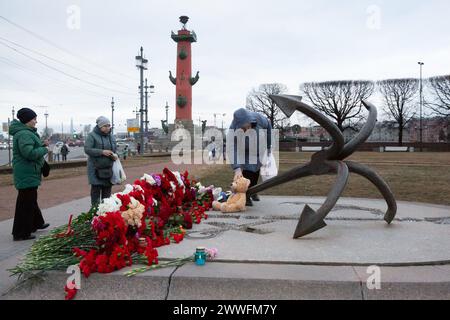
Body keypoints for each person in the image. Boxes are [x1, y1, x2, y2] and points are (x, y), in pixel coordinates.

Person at [9, 108, 50, 241]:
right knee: (25, 203)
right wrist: (44, 149)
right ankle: (21, 233)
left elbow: (30, 147)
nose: (36, 121)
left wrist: (41, 144)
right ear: (27, 120)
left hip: (28, 172)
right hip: (27, 172)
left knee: (30, 199)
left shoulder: (25, 132)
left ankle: (36, 223)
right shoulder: (24, 134)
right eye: (34, 119)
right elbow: (29, 153)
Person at [228, 108, 272, 207]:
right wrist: (237, 168)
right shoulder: (232, 130)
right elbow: (231, 148)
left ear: (250, 121)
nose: (246, 130)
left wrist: (269, 146)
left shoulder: (259, 118)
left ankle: (253, 191)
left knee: (256, 169)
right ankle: (246, 194)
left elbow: (269, 127)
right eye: (243, 129)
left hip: (259, 147)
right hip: (244, 149)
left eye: (247, 127)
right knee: (248, 169)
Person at [84, 116, 117, 207]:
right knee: (96, 196)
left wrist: (115, 156)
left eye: (109, 125)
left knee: (107, 197)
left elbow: (115, 148)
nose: (107, 128)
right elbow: (87, 149)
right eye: (105, 126)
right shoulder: (92, 135)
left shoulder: (111, 136)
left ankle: (105, 215)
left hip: (108, 170)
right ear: (99, 126)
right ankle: (94, 215)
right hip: (95, 169)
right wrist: (102, 152)